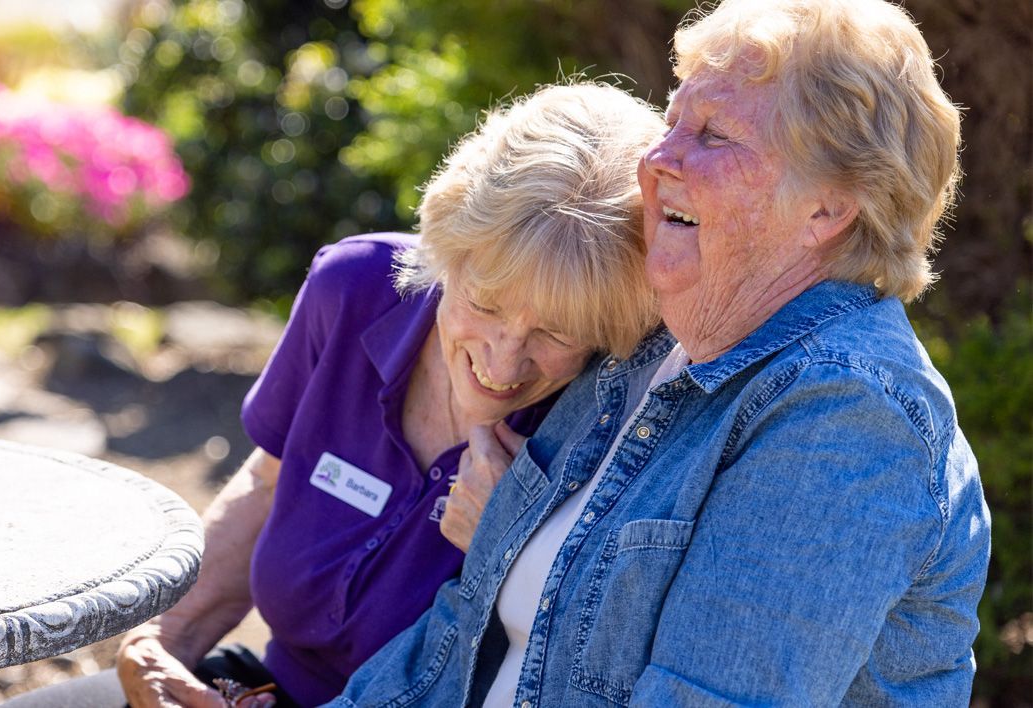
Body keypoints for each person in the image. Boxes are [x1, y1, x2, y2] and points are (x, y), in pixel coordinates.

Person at [331, 0, 992, 705]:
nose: (655, 159)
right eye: (673, 118)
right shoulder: (652, 350)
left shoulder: (850, 415)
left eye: (711, 134)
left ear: (827, 208)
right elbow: (455, 641)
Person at [103, 82, 667, 708]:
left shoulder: (617, 411)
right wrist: (164, 641)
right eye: (483, 303)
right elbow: (267, 484)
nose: (503, 360)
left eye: (557, 332)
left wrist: (514, 549)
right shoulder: (354, 290)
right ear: (447, 250)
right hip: (269, 686)